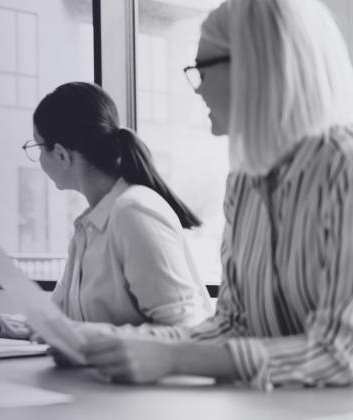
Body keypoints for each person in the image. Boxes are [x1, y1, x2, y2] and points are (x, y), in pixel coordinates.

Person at [74, 0, 353, 389]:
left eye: (201, 70)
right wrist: (110, 344)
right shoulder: (243, 183)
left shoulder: (344, 169)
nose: (198, 88)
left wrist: (172, 358)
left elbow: (341, 353)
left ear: (256, 66)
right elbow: (231, 327)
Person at [0, 82, 213, 337]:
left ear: (61, 154)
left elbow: (186, 331)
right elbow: (57, 325)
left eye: (36, 147)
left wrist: (90, 340)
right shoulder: (88, 227)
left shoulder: (134, 214)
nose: (38, 161)